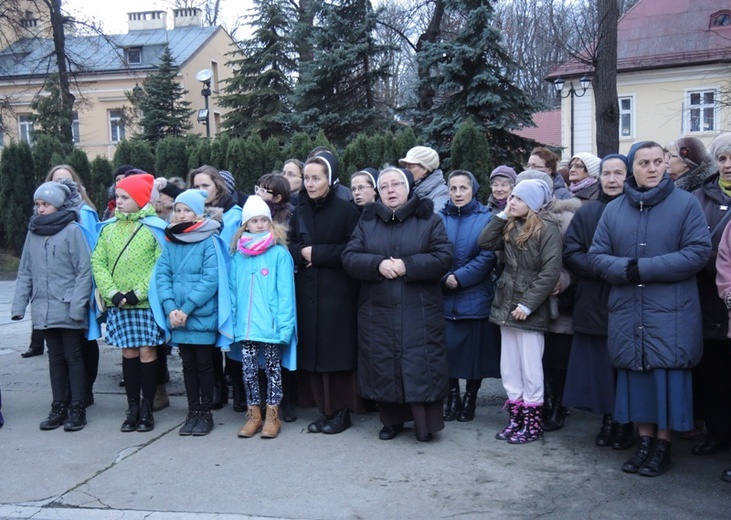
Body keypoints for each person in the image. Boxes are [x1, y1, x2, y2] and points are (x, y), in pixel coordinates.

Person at [589, 141, 711, 477]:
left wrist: (641, 268)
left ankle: (663, 445)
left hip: (671, 313)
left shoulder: (685, 204)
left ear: (667, 164)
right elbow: (597, 256)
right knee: (637, 379)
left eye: (659, 161)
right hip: (629, 312)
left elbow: (698, 252)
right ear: (633, 169)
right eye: (644, 163)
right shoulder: (614, 210)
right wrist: (626, 270)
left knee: (666, 380)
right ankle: (644, 442)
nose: (653, 168)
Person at [343, 166, 453, 441]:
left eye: (396, 184)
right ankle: (391, 421)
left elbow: (443, 256)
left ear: (408, 188)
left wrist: (408, 265)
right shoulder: (367, 222)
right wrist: (377, 264)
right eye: (385, 185)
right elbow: (350, 256)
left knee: (419, 364)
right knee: (384, 362)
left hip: (419, 308)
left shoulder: (429, 219)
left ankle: (424, 425)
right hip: (378, 309)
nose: (391, 190)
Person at [478, 178, 563, 444]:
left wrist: (527, 304)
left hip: (528, 308)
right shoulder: (510, 225)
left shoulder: (548, 229)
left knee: (531, 367)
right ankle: (516, 418)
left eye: (518, 199)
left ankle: (532, 423)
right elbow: (484, 241)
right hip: (506, 304)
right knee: (510, 365)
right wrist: (503, 214)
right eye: (511, 197)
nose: (511, 201)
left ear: (533, 204)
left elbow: (550, 272)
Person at [563, 154, 634, 449]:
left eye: (619, 173)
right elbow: (572, 252)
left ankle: (626, 422)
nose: (613, 179)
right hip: (594, 298)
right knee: (601, 367)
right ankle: (608, 419)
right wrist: (603, 267)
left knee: (626, 366)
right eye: (607, 173)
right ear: (600, 177)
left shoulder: (637, 210)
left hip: (629, 296)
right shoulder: (586, 213)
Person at [288, 152, 361, 435]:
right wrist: (299, 253)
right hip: (308, 294)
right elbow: (290, 244)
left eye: (316, 178)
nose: (310, 183)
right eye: (306, 178)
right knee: (315, 357)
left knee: (336, 357)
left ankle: (341, 412)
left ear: (330, 179)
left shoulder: (347, 211)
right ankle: (323, 410)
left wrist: (316, 254)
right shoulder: (301, 211)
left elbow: (352, 250)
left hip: (337, 296)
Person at [12, 180, 92, 431]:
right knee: (55, 358)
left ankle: (77, 406)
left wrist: (78, 305)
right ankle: (59, 405)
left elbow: (84, 270)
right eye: (37, 204)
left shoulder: (72, 231)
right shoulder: (33, 232)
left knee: (73, 356)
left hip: (68, 307)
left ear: (57, 205)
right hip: (43, 308)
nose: (40, 209)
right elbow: (25, 271)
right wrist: (19, 306)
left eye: (45, 204)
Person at [91, 173, 167, 433]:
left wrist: (138, 293)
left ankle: (147, 407)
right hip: (118, 304)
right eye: (117, 197)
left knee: (147, 351)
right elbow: (98, 262)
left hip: (144, 304)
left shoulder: (154, 228)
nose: (119, 201)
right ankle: (132, 406)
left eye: (125, 197)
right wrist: (112, 293)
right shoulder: (109, 228)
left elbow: (160, 265)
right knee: (128, 352)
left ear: (141, 199)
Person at [155, 189, 223, 436]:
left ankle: (205, 413)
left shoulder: (209, 240)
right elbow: (162, 275)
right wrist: (170, 307)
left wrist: (186, 308)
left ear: (198, 213)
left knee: (204, 365)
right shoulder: (171, 241)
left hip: (200, 315)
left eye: (187, 210)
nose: (182, 214)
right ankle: (192, 411)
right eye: (178, 209)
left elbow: (210, 279)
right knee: (187, 365)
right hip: (178, 316)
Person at [230, 196, 296, 439]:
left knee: (272, 369)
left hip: (270, 326)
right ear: (245, 225)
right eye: (254, 221)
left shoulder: (278, 253)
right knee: (248, 370)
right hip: (246, 327)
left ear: (270, 223)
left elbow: (285, 293)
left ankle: (272, 415)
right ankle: (253, 414)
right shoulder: (238, 256)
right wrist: (234, 322)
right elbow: (233, 290)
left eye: (263, 220)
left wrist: (285, 326)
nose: (259, 225)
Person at [439, 170, 498, 422]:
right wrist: (444, 278)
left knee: (475, 357)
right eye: (453, 188)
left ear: (473, 189)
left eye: (463, 188)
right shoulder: (438, 218)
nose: (458, 193)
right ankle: (452, 396)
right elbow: (431, 250)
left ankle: (470, 398)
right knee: (447, 353)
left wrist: (460, 278)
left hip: (475, 297)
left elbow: (488, 255)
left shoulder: (487, 218)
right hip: (443, 298)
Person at [43, 165, 102, 407]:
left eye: (67, 180)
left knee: (84, 339)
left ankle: (84, 390)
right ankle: (65, 391)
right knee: (60, 348)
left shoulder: (84, 212)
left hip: (80, 284)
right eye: (57, 181)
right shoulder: (43, 212)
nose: (63, 185)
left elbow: (91, 249)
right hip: (53, 290)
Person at [189, 165, 243, 410]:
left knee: (234, 340)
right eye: (196, 186)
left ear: (218, 187)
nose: (200, 191)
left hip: (232, 286)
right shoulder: (191, 217)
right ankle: (215, 389)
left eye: (205, 186)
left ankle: (240, 390)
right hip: (205, 287)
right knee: (207, 341)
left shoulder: (236, 214)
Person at [399, 146, 449, 213]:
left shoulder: (442, 192)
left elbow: (434, 220)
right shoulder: (407, 189)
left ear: (425, 169)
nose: (406, 171)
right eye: (406, 167)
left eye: (410, 167)